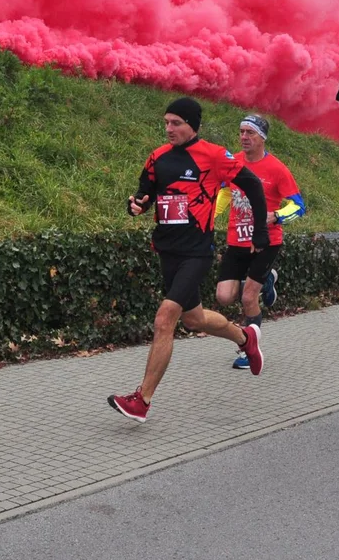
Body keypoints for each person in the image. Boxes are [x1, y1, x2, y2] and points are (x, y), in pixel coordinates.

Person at [108, 98, 269, 423]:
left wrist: (260, 232)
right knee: (193, 319)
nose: (169, 128)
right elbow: (144, 194)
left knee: (165, 318)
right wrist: (136, 205)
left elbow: (251, 184)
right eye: (166, 122)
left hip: (197, 252)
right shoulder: (158, 157)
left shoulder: (213, 156)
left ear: (192, 125)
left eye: (176, 123)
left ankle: (142, 400)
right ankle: (245, 337)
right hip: (167, 251)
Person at [216, 115, 305, 369]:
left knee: (247, 298)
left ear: (262, 138)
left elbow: (298, 206)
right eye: (241, 132)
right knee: (223, 297)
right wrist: (210, 216)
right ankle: (267, 280)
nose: (244, 137)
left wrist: (276, 216)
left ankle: (248, 348)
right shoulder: (232, 162)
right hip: (236, 239)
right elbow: (224, 190)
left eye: (250, 133)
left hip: (266, 241)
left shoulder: (277, 169)